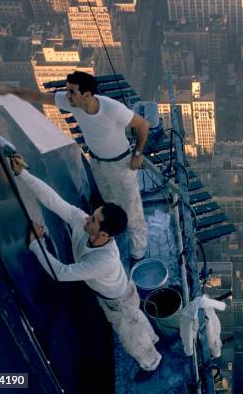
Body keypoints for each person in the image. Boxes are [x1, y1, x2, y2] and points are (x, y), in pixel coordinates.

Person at [9, 154, 161, 382]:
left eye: (93, 220)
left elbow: (59, 273)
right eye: (92, 215)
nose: (86, 219)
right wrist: (23, 175)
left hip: (119, 305)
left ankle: (152, 364)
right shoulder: (84, 224)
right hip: (117, 295)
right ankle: (153, 339)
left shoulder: (104, 260)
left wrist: (35, 245)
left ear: (104, 233)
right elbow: (54, 201)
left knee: (131, 338)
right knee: (139, 326)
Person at [0, 72, 149, 264]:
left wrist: (138, 153)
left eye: (72, 91)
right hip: (97, 163)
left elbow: (143, 124)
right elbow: (38, 97)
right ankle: (112, 234)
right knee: (109, 204)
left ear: (87, 94)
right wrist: (10, 91)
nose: (67, 95)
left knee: (131, 210)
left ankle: (139, 253)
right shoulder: (72, 102)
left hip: (120, 164)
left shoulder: (112, 108)